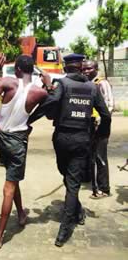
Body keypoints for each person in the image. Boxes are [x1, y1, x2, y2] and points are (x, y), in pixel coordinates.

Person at [29, 54, 111, 247]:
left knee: (70, 181)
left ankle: (64, 229)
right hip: (82, 139)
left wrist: (27, 122)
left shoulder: (63, 85)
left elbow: (48, 105)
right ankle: (77, 210)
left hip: (63, 139)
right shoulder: (91, 87)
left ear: (66, 67)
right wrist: (101, 134)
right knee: (69, 179)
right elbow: (106, 114)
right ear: (81, 67)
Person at [0, 54, 48, 249]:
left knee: (11, 179)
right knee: (10, 184)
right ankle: (5, 230)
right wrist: (48, 83)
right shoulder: (39, 92)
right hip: (18, 141)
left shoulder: (8, 82)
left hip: (1, 139)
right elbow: (48, 107)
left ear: (17, 69)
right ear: (32, 70)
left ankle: (13, 220)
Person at [83, 60, 114, 199]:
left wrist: (100, 123)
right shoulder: (87, 84)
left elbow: (109, 105)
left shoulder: (102, 83)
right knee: (89, 153)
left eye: (89, 68)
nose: (86, 71)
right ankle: (89, 178)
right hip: (89, 124)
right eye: (84, 69)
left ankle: (104, 188)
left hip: (101, 126)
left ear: (96, 68)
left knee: (100, 156)